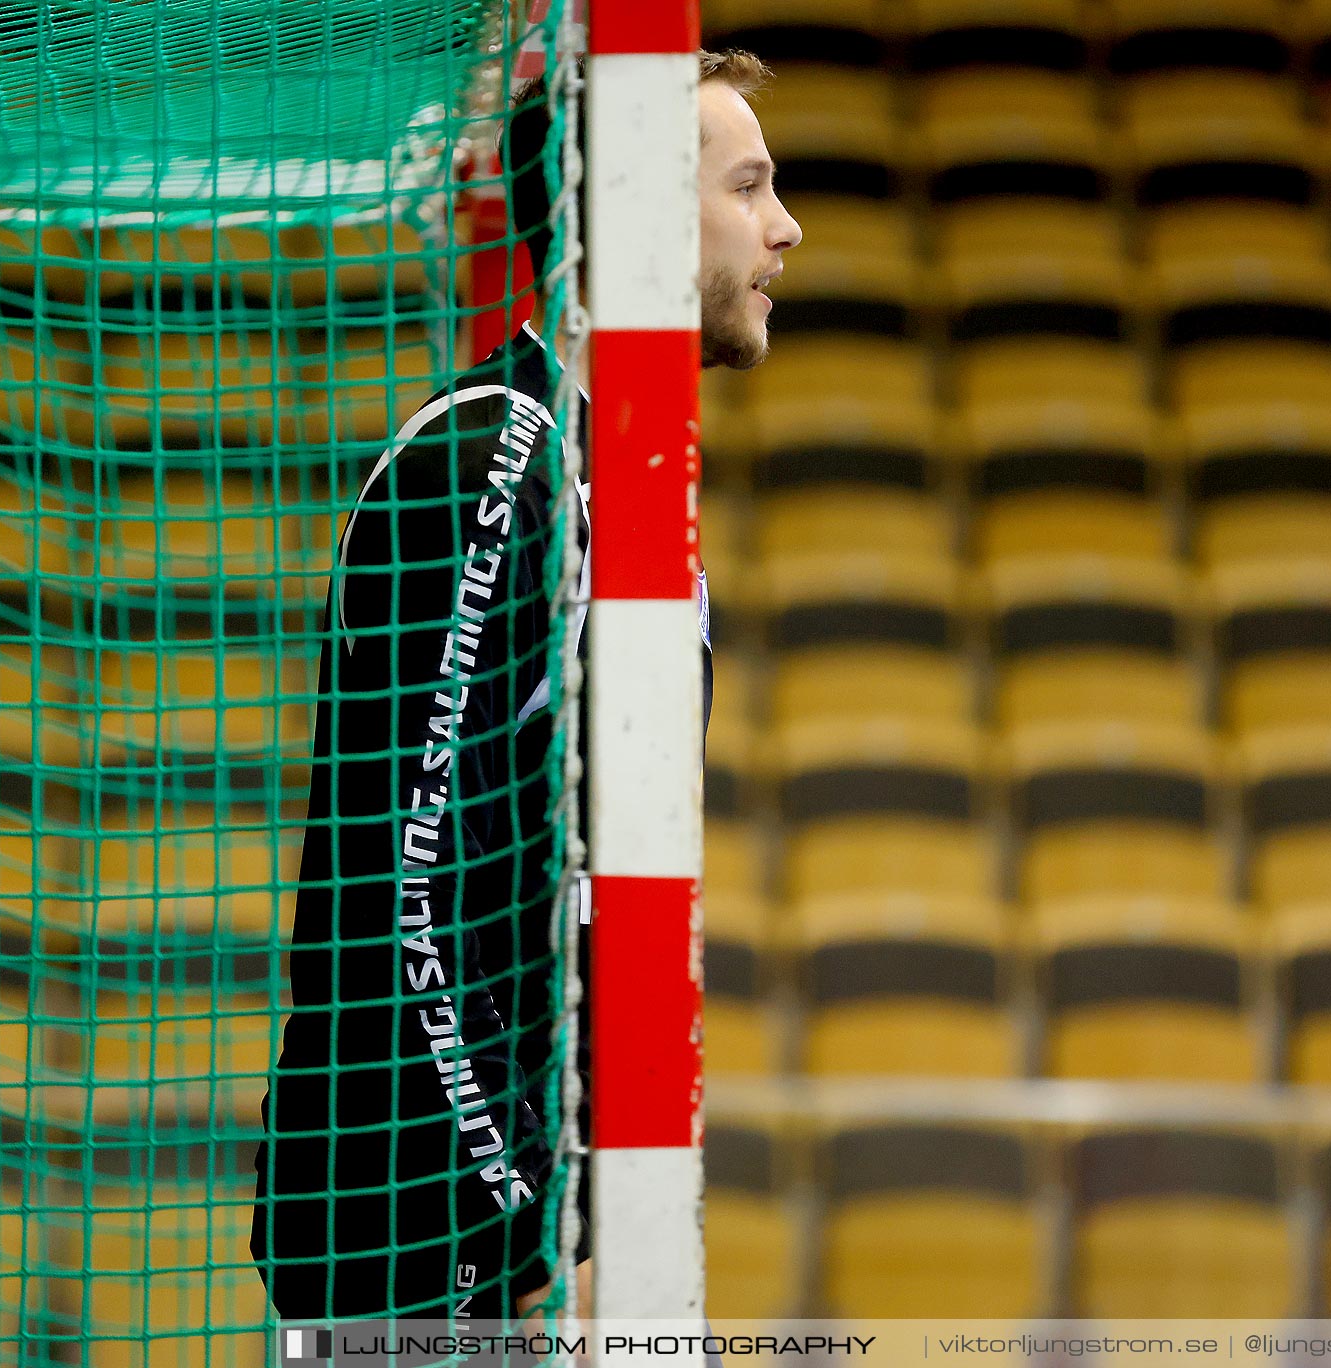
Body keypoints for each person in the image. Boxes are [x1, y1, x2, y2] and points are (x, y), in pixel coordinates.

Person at [251, 47, 801, 1328]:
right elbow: (411, 888)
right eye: (750, 186)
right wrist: (534, 1232)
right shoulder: (488, 463)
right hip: (449, 1269)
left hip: (567, 1234)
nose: (784, 227)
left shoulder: (624, 489)